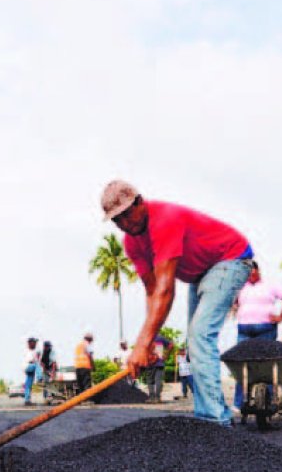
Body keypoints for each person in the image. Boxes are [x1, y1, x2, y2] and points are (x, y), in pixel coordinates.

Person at [102, 180, 254, 426]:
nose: (124, 224)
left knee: (200, 335)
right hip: (200, 273)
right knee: (194, 344)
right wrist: (149, 343)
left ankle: (216, 422)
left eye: (126, 215)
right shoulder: (131, 243)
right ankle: (207, 418)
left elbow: (166, 291)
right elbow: (153, 292)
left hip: (230, 258)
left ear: (140, 202)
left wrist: (141, 344)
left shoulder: (164, 220)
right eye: (117, 221)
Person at [232, 262, 282, 408]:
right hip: (244, 329)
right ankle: (239, 403)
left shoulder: (270, 285)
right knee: (242, 363)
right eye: (247, 272)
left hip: (266, 328)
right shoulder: (240, 286)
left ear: (258, 271)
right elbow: (233, 301)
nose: (250, 275)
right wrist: (236, 308)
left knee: (266, 363)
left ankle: (268, 401)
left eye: (252, 271)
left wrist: (281, 317)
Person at [147, 334, 169, 403]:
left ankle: (152, 398)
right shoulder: (161, 338)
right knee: (158, 381)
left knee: (150, 381)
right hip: (159, 362)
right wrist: (166, 354)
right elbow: (171, 345)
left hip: (151, 362)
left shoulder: (147, 337)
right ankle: (157, 398)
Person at [22, 337, 41, 405]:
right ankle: (39, 378)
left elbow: (38, 357)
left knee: (28, 385)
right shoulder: (27, 350)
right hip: (28, 366)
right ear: (30, 343)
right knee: (36, 364)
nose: (35, 344)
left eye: (35, 343)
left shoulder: (34, 350)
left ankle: (27, 400)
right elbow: (31, 360)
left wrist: (38, 356)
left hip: (31, 369)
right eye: (34, 343)